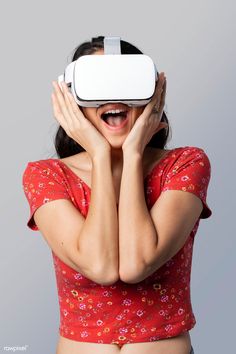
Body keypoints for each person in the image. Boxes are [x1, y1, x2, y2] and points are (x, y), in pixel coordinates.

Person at [22, 36, 212, 354]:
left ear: (153, 93)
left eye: (126, 83)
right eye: (97, 85)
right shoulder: (46, 175)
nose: (112, 96)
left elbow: (137, 264)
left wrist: (133, 154)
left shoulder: (185, 164)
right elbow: (101, 267)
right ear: (72, 98)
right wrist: (98, 153)